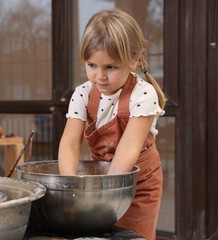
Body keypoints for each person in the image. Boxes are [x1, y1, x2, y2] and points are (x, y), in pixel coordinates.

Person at [58, 9, 166, 240]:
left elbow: (128, 149)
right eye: (92, 65)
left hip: (139, 186)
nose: (99, 76)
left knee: (132, 237)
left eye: (110, 67)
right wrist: (72, 189)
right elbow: (69, 144)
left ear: (134, 60)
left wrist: (104, 195)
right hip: (103, 183)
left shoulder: (143, 94)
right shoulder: (83, 94)